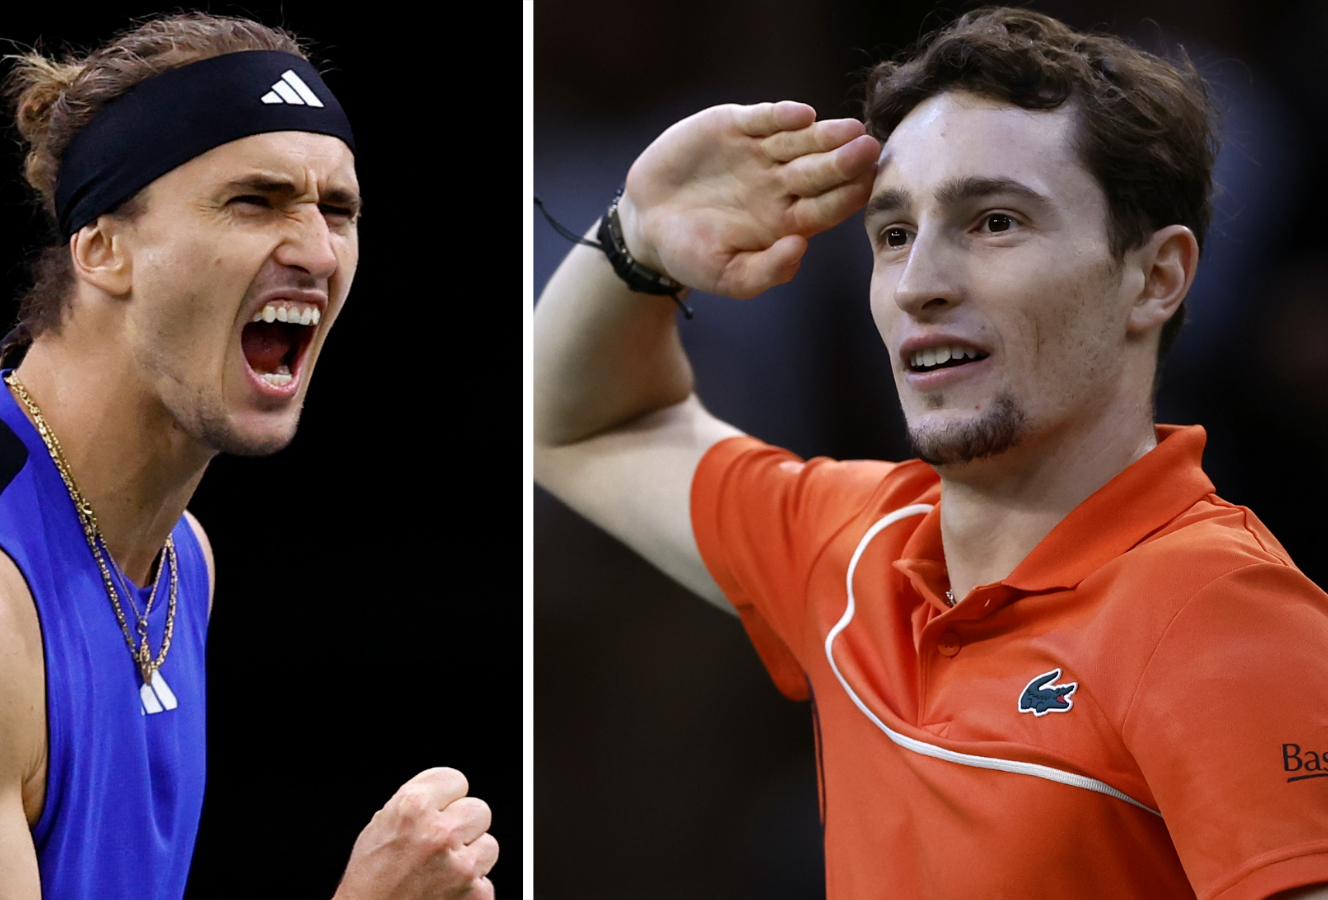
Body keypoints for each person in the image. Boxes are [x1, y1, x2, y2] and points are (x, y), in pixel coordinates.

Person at [534, 8, 1326, 899]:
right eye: (894, 233)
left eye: (994, 222)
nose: (919, 285)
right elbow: (576, 425)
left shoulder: (1223, 616)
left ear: (1155, 278)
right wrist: (636, 240)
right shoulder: (855, 543)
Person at [0, 13, 497, 900]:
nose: (317, 251)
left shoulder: (179, 560)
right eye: (256, 200)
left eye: (339, 209)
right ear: (101, 248)